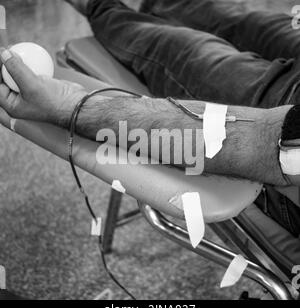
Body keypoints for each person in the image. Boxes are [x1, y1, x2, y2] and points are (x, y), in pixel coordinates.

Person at [0, 0, 299, 234]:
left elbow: (255, 141)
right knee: (236, 19)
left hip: (280, 123)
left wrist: (70, 106)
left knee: (183, 49)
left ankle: (99, 6)